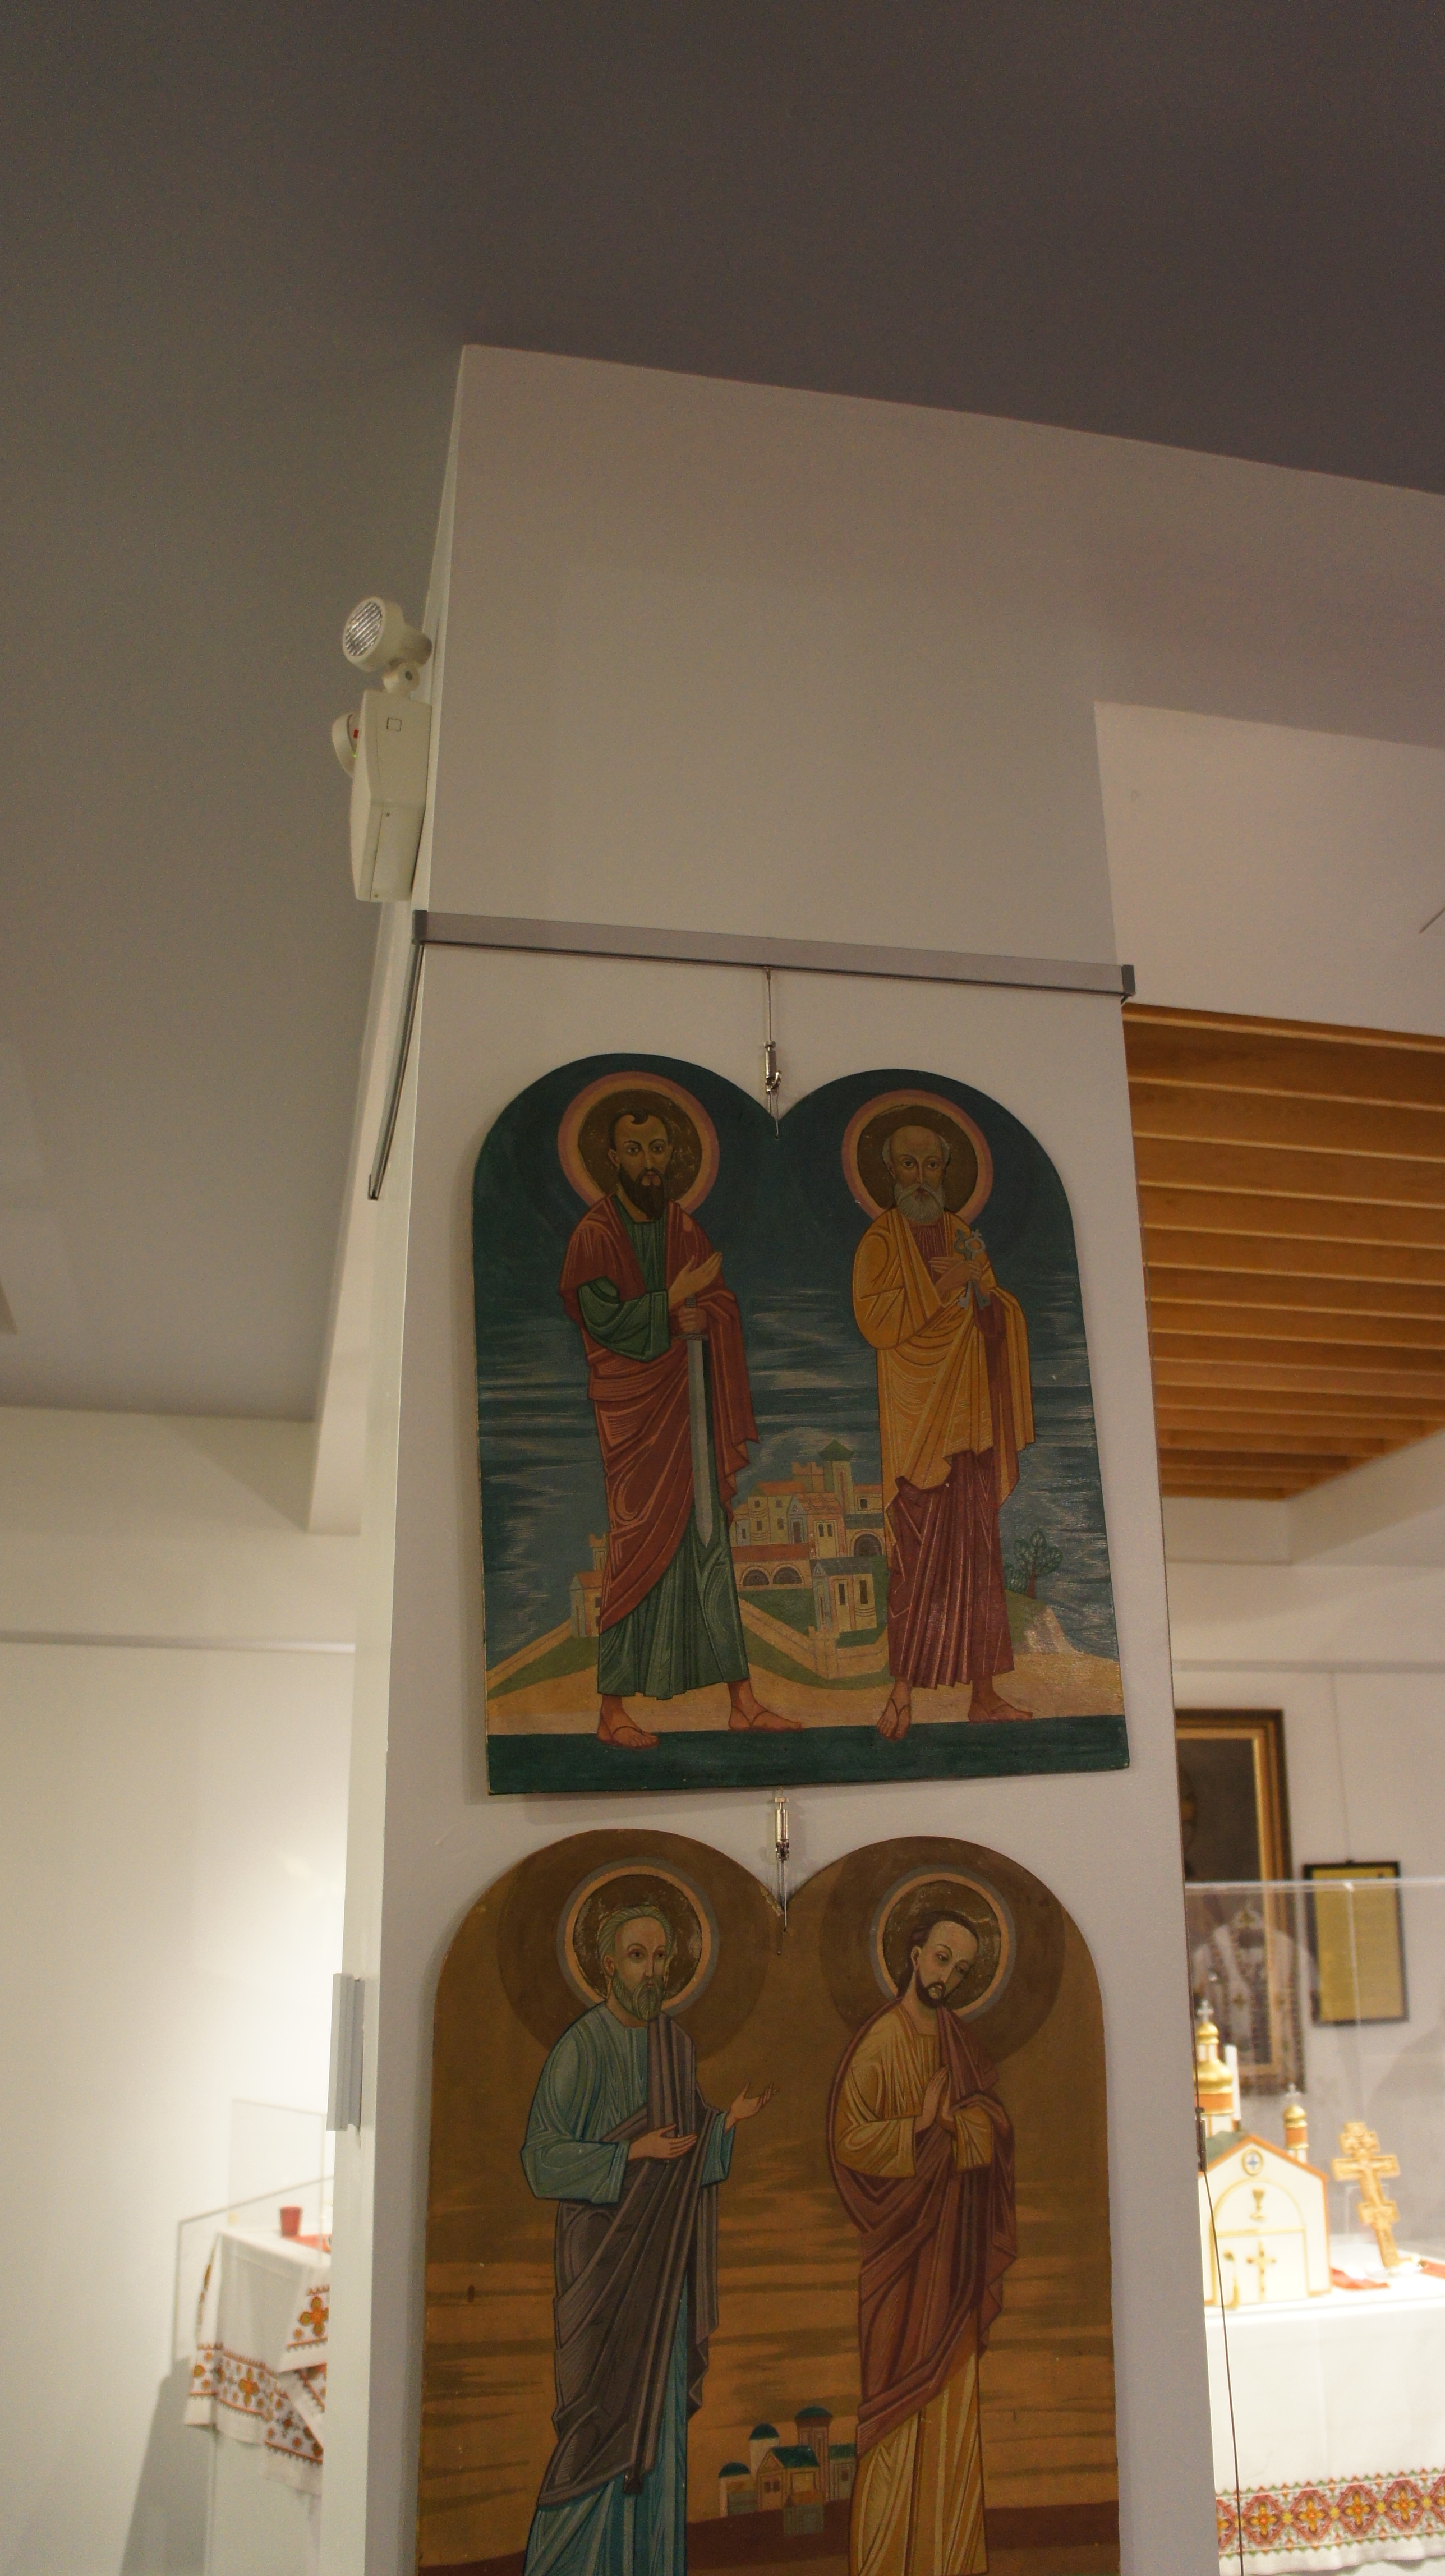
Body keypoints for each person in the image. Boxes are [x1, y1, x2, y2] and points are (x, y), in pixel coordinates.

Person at [520, 1906, 772, 2576]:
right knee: (593, 2431)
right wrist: (629, 2153)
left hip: (662, 2278)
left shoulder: (674, 2047)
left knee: (655, 2434)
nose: (651, 1971)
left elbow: (686, 2149)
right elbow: (541, 2160)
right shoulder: (581, 2047)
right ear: (608, 1964)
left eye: (661, 1958)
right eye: (638, 1956)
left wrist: (724, 2125)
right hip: (602, 2271)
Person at [560, 1095, 798, 1746]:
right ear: (612, 1157)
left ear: (674, 1155)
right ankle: (611, 1710)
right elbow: (602, 1320)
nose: (648, 1161)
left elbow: (718, 1301)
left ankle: (742, 1701)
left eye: (659, 1149)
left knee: (709, 1545)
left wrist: (704, 1315)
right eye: (634, 1149)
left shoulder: (684, 1229)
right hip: (634, 1416)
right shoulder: (594, 1235)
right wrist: (673, 1304)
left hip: (689, 1409)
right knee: (634, 1545)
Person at [829, 1916, 1016, 2576]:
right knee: (892, 2415)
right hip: (900, 2257)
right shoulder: (881, 2040)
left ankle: (951, 2563)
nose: (946, 1976)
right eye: (940, 1959)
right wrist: (918, 2124)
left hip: (954, 2257)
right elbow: (849, 2140)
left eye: (960, 1969)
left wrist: (958, 2123)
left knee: (951, 2411)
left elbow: (992, 2127)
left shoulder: (959, 2042)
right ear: (913, 1955)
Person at [851, 1121, 1034, 1738]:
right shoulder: (879, 1241)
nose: (922, 1177)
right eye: (909, 1165)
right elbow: (876, 1323)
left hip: (970, 1420)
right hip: (917, 1425)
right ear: (890, 1172)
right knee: (914, 1559)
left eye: (932, 1165)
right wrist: (944, 1286)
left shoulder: (961, 1234)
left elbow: (995, 1314)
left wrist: (982, 1292)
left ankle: (984, 1694)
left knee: (979, 1556)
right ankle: (900, 1694)